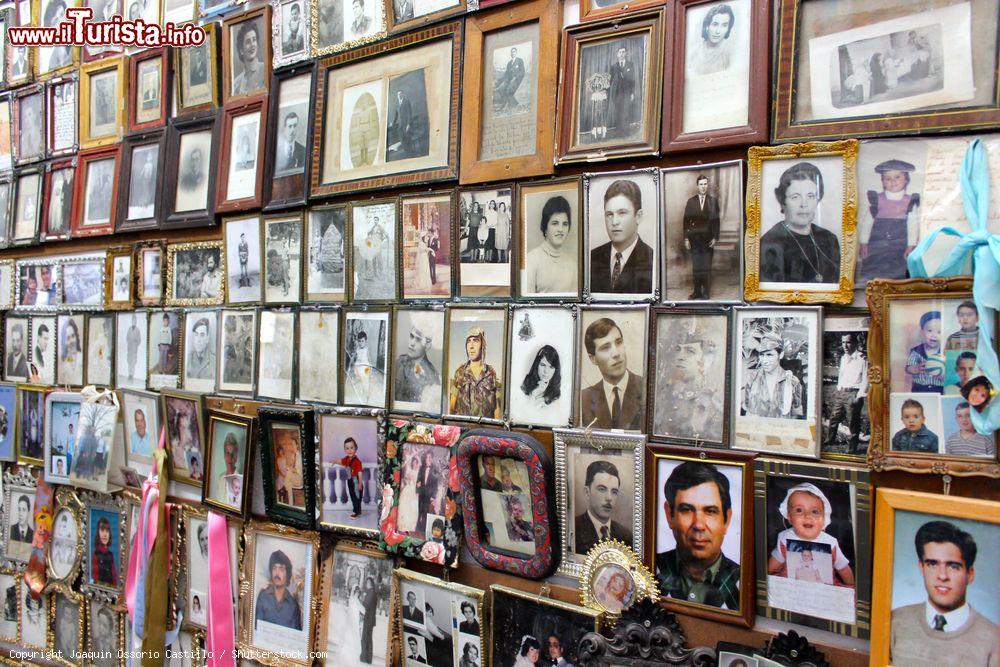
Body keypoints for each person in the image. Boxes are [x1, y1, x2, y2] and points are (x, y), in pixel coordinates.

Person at [889, 521, 999, 666]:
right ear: (921, 568)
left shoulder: (994, 639)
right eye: (932, 564)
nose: (942, 576)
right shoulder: (894, 622)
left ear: (970, 574)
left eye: (953, 566)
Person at [655, 462, 739, 609]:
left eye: (710, 511)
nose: (699, 525)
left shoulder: (742, 583)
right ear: (669, 515)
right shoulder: (649, 570)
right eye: (687, 510)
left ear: (727, 519)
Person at [760, 162, 841, 284]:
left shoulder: (829, 239)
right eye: (795, 197)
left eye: (810, 196)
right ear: (782, 201)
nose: (804, 204)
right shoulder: (769, 244)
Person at [766, 483, 855, 586]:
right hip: (792, 584)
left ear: (824, 519)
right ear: (789, 517)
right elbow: (776, 561)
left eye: (815, 512)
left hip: (821, 587)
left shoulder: (830, 542)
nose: (807, 516)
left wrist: (852, 586)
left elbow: (843, 568)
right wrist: (764, 575)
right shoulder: (785, 537)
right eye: (799, 510)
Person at [654, 322, 723, 439]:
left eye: (690, 351)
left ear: (705, 360)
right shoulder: (663, 394)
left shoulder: (712, 403)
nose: (680, 356)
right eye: (677, 349)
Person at [859, 159, 920, 282]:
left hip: (899, 245)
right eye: (887, 178)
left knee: (898, 270)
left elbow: (913, 225)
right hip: (877, 244)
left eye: (897, 177)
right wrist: (864, 242)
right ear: (882, 181)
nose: (892, 181)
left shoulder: (910, 201)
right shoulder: (876, 199)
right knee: (875, 270)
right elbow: (867, 222)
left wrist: (911, 245)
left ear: (906, 179)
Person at [589, 180, 653, 294]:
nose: (614, 222)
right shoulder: (591, 258)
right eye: (609, 214)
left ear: (638, 216)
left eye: (622, 213)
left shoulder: (653, 260)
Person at [580, 318, 645, 430]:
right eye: (605, 348)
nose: (616, 353)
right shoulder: (583, 399)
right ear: (593, 359)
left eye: (619, 342)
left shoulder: (647, 389)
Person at [741, 331, 803, 419]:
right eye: (762, 355)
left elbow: (796, 414)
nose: (764, 360)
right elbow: (746, 408)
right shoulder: (752, 378)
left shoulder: (792, 381)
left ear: (780, 355)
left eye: (769, 355)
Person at [574, 460, 632, 554]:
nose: (609, 498)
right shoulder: (574, 529)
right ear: (587, 492)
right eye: (602, 489)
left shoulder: (626, 536)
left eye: (614, 492)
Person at [523, 195, 576, 294]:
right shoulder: (531, 260)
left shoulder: (572, 265)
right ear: (545, 227)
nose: (560, 229)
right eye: (555, 223)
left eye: (565, 224)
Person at [825, 333, 868, 453]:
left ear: (855, 343)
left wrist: (859, 396)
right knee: (834, 417)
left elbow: (866, 379)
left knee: (852, 422)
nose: (845, 345)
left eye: (848, 342)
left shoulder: (862, 359)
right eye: (843, 342)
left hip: (853, 394)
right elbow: (842, 374)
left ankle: (852, 448)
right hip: (842, 393)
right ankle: (830, 440)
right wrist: (839, 388)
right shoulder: (844, 358)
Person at [448, 328, 502, 419]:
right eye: (469, 341)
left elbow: (497, 408)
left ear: (482, 345)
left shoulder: (491, 373)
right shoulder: (460, 372)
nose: (471, 346)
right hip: (465, 427)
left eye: (476, 341)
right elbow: (452, 406)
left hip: (485, 429)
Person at [682, 175, 721, 299]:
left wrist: (715, 237)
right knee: (696, 267)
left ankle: (706, 293)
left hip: (708, 240)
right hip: (695, 240)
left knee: (706, 267)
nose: (703, 187)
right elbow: (686, 221)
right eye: (701, 184)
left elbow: (716, 221)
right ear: (697, 186)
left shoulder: (713, 201)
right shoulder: (691, 201)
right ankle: (697, 292)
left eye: (705, 184)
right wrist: (686, 238)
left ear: (707, 185)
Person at [393, 322, 441, 407]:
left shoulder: (432, 376)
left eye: (418, 340)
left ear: (427, 345)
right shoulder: (399, 362)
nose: (412, 343)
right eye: (411, 336)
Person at [254, 549, 302, 630]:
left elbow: (295, 636)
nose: (277, 573)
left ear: (287, 574)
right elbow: (257, 629)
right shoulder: (263, 597)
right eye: (274, 568)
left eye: (281, 569)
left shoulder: (293, 605)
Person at [687, 3, 735, 75]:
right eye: (715, 24)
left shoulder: (731, 52)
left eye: (724, 25)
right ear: (707, 26)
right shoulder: (693, 52)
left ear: (728, 28)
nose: (718, 31)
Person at [905, 311, 944, 393]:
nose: (934, 335)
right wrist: (915, 368)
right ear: (922, 331)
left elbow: (951, 373)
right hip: (919, 388)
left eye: (939, 332)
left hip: (939, 389)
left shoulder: (945, 352)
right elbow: (908, 369)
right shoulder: (916, 351)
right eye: (929, 330)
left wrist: (943, 375)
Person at [519, 345, 564, 412]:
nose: (546, 371)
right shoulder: (525, 386)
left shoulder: (556, 395)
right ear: (537, 365)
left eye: (551, 367)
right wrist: (534, 394)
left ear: (555, 370)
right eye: (543, 365)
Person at [232, 20, 264, 96]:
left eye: (254, 40)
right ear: (241, 50)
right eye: (248, 42)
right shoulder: (236, 83)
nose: (252, 45)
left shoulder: (266, 69)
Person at [607, 45, 634, 136]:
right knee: (618, 112)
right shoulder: (613, 66)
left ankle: (626, 132)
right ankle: (618, 132)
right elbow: (609, 81)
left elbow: (632, 80)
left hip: (627, 92)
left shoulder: (630, 64)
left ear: (626, 53)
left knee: (626, 112)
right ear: (617, 54)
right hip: (617, 93)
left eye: (623, 52)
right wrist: (605, 90)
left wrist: (632, 93)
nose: (621, 54)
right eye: (620, 52)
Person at [494, 47, 525, 112]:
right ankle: (514, 103)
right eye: (512, 52)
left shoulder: (520, 60)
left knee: (508, 90)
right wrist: (501, 80)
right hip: (509, 81)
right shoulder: (509, 63)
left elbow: (522, 72)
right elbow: (506, 74)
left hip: (517, 80)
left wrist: (516, 77)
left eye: (514, 52)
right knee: (501, 88)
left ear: (516, 53)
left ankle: (503, 106)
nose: (513, 53)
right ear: (510, 53)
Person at [340, 437, 364, 519]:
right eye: (347, 448)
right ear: (344, 450)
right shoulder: (347, 459)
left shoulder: (357, 461)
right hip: (350, 481)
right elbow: (340, 461)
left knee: (356, 497)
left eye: (351, 448)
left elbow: (360, 473)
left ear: (356, 448)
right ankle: (358, 511)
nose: (349, 450)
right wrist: (334, 461)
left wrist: (360, 484)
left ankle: (356, 512)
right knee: (352, 496)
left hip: (356, 481)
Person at [91, 516, 117, 587]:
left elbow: (114, 575)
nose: (105, 534)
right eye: (102, 530)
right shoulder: (96, 554)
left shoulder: (110, 555)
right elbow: (95, 577)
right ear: (98, 533)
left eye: (107, 531)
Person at [126, 314, 142, 380]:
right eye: (133, 320)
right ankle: (129, 374)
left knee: (133, 361)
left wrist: (136, 343)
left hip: (134, 349)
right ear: (131, 321)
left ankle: (132, 375)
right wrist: (129, 342)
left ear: (136, 321)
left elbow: (139, 340)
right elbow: (126, 338)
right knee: (129, 361)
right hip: (129, 348)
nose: (134, 322)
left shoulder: (138, 330)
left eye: (135, 320)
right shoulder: (129, 329)